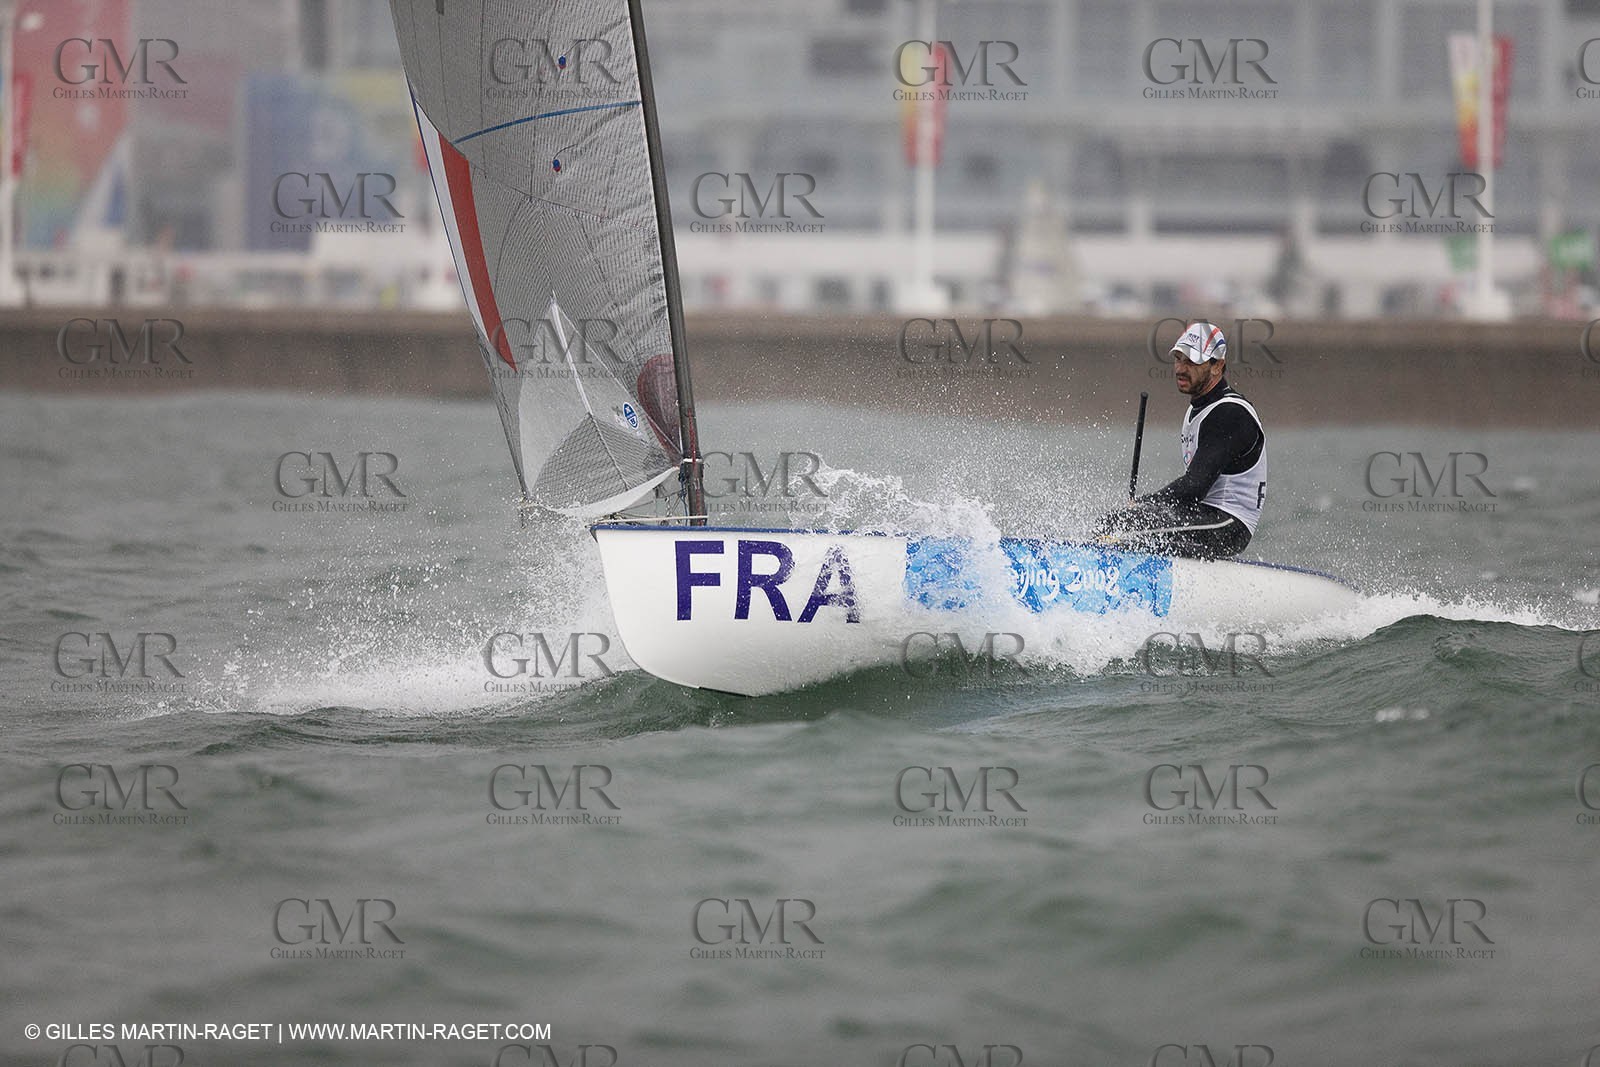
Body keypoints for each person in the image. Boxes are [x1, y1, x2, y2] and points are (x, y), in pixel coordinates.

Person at [1092, 321, 1266, 560]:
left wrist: (1145, 504)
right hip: (1202, 513)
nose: (1180, 369)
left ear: (1217, 366)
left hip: (1228, 524)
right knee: (1115, 522)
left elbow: (1194, 487)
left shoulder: (1229, 413)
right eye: (1178, 359)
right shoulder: (1198, 409)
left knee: (1126, 527)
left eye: (1192, 361)